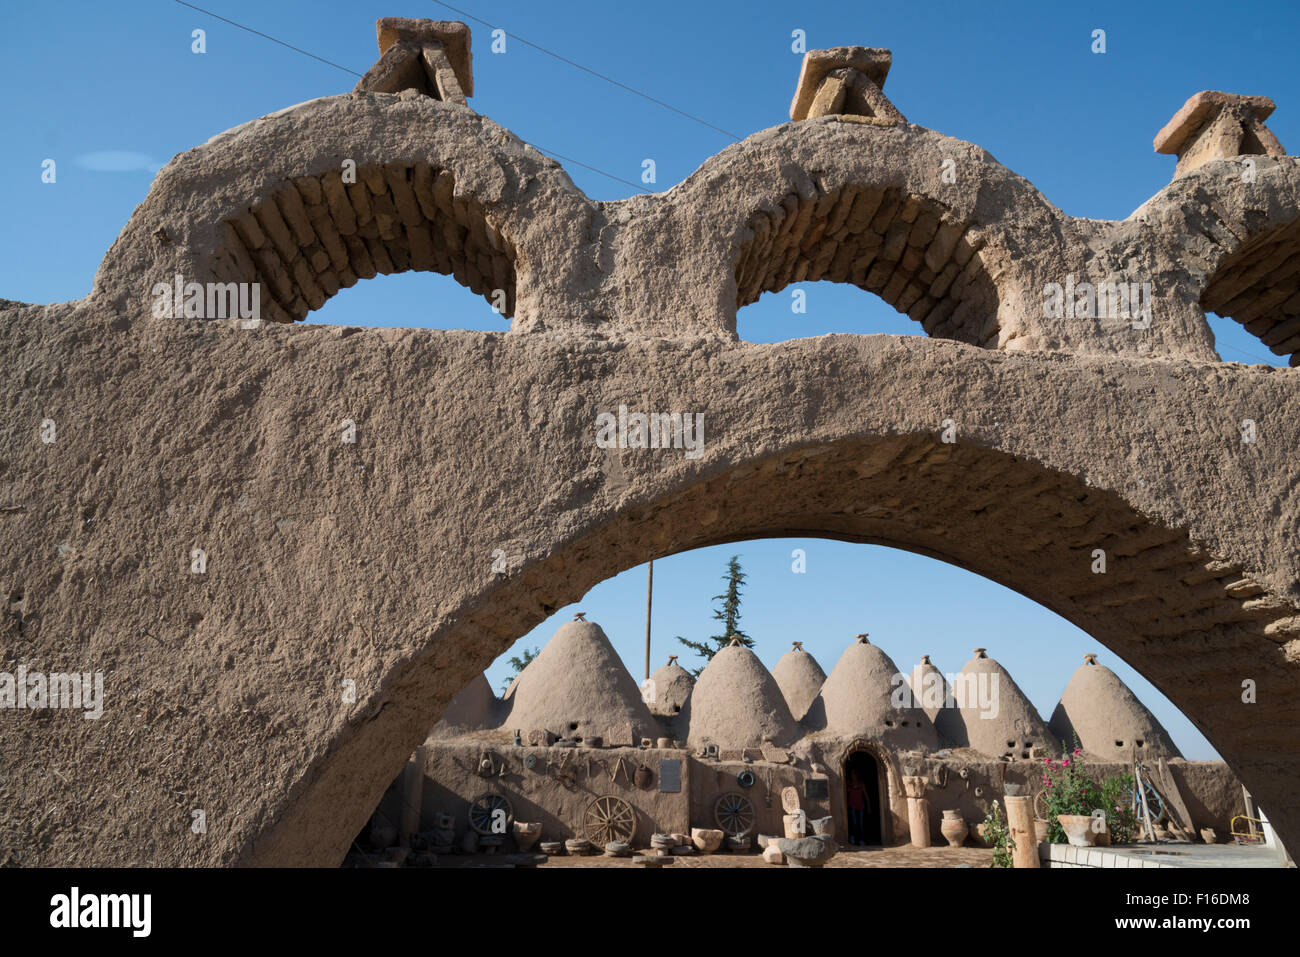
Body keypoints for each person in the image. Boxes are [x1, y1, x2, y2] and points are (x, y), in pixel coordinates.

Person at [846, 771, 868, 846]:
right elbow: (846, 790)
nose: (854, 776)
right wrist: (853, 787)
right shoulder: (849, 783)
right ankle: (852, 838)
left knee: (861, 823)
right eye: (852, 774)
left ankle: (861, 840)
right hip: (852, 806)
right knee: (854, 823)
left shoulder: (861, 783)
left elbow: (866, 795)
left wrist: (869, 806)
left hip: (861, 805)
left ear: (857, 775)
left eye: (855, 774)